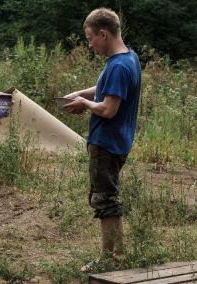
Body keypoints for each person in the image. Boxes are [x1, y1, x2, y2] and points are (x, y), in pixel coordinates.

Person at [63, 7, 141, 272]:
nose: (89, 44)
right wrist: (82, 93)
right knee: (109, 197)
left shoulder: (118, 66)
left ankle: (111, 258)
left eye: (90, 38)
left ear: (104, 34)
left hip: (107, 143)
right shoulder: (129, 58)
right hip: (116, 141)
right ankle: (116, 255)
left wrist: (84, 104)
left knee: (106, 200)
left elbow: (109, 109)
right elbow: (106, 88)